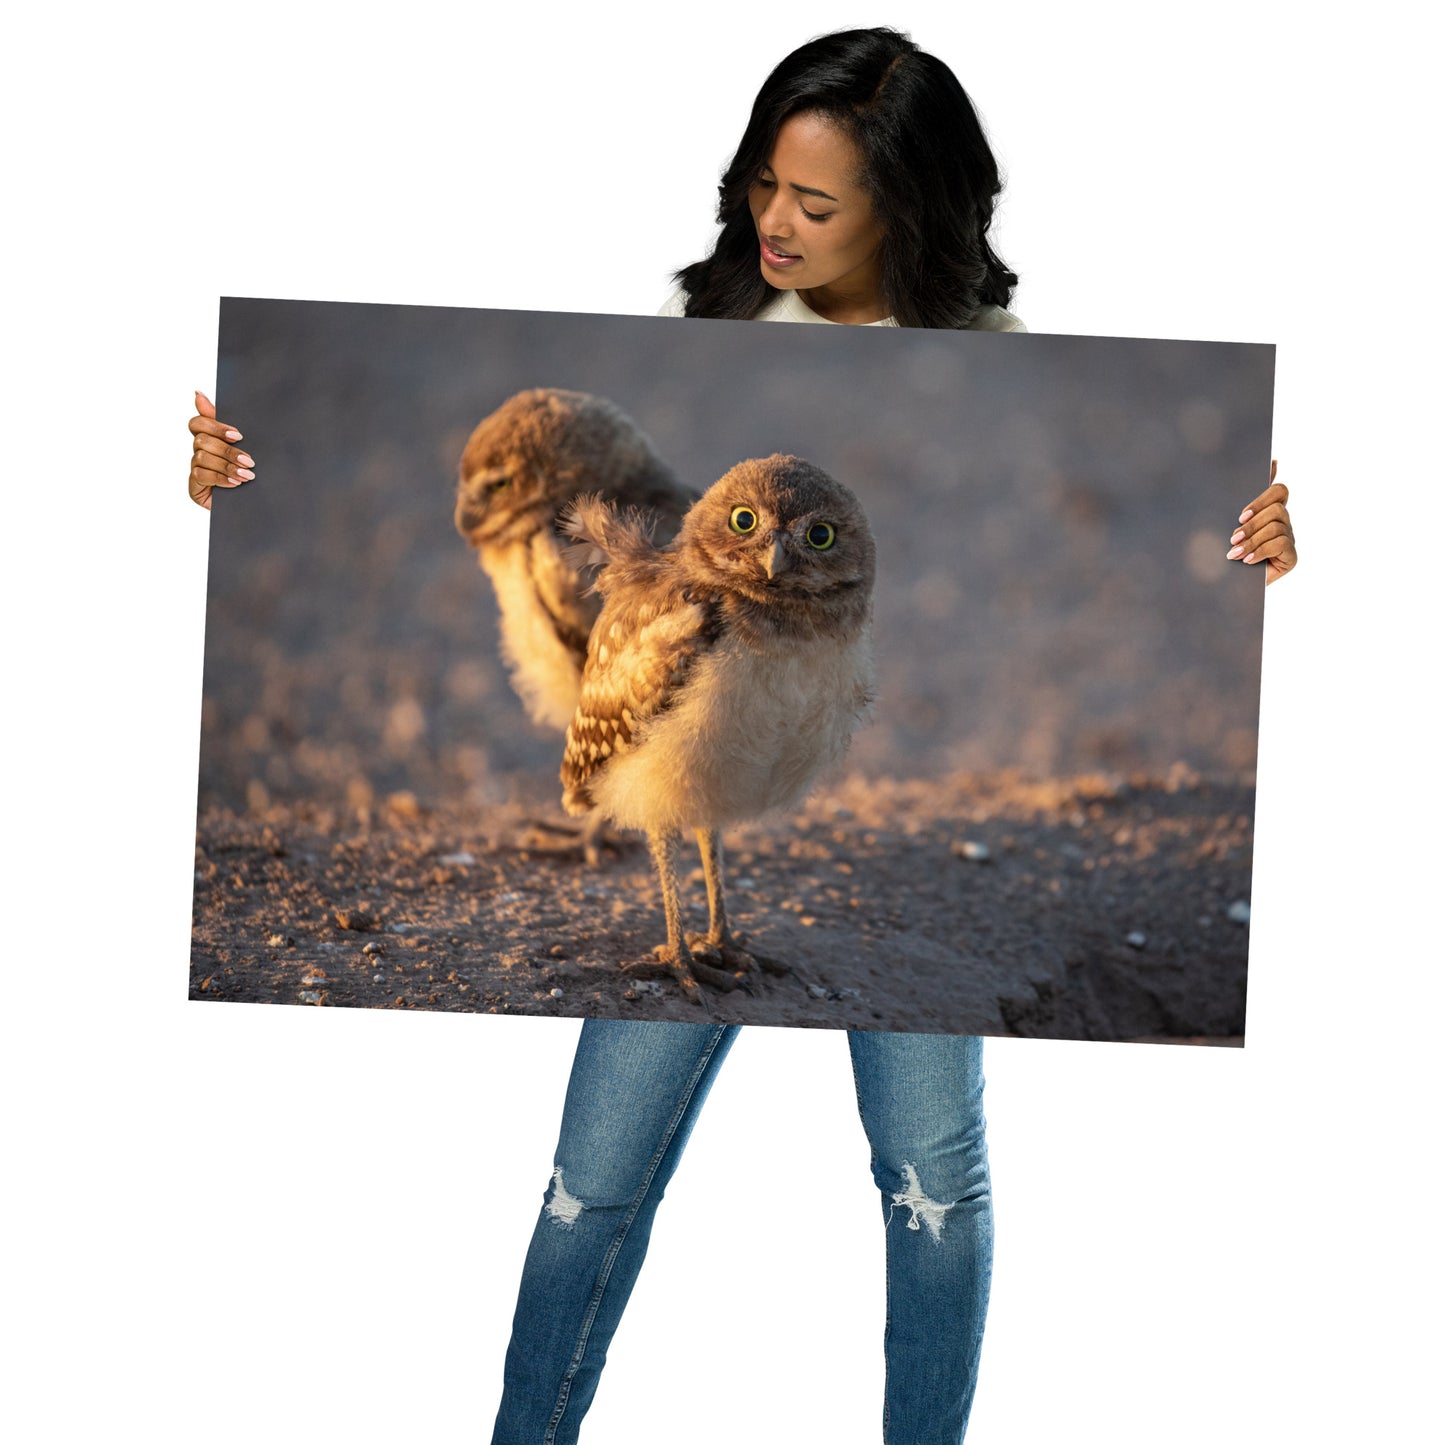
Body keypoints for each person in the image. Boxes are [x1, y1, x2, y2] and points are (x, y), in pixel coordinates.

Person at [185, 27, 1296, 1443]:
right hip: (658, 755)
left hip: (827, 820)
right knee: (595, 1176)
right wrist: (209, 471)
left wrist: (1278, 541)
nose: (776, 222)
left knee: (931, 1176)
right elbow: (552, 492)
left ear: (914, 206)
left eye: (818, 205)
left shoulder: (1012, 346)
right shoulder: (685, 311)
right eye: (765, 184)